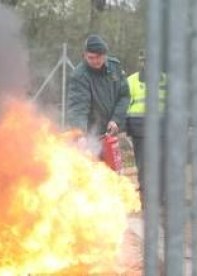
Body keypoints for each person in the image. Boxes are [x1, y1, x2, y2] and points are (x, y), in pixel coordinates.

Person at [66, 34, 130, 139]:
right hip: (92, 135)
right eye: (91, 58)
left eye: (99, 57)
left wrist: (116, 120)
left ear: (105, 55)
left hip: (115, 131)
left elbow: (124, 96)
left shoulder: (115, 67)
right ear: (84, 55)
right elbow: (78, 108)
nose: (95, 61)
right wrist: (80, 134)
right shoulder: (79, 76)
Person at [126, 50, 167, 206]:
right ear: (143, 63)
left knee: (162, 163)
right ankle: (146, 198)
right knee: (144, 166)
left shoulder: (166, 81)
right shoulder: (132, 81)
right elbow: (124, 105)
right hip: (140, 130)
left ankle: (161, 198)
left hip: (163, 130)